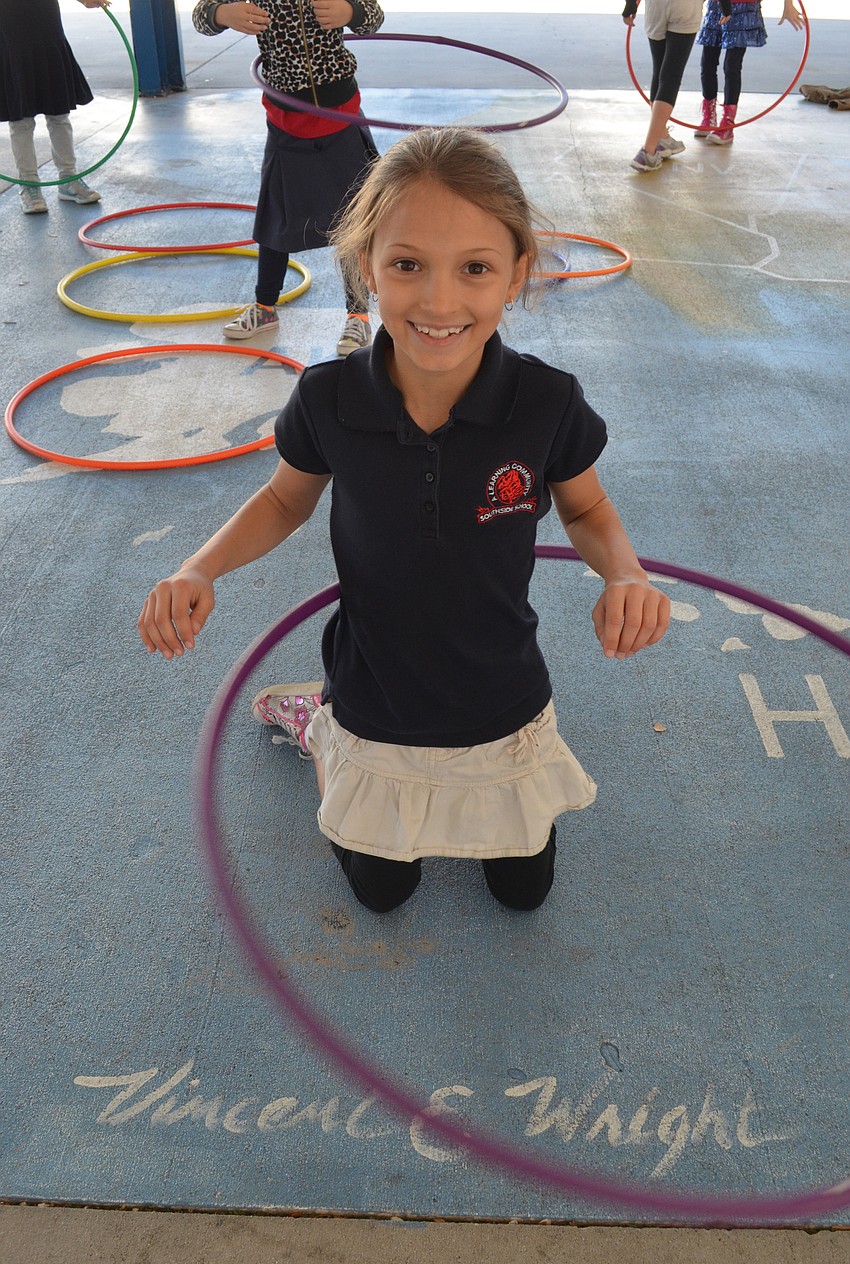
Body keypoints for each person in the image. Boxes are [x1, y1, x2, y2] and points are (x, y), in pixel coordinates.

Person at [138, 127, 671, 914]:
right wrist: (199, 567)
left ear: (519, 273)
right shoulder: (328, 398)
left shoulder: (547, 402)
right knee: (381, 892)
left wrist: (624, 570)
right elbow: (286, 496)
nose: (439, 301)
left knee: (527, 892)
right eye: (408, 264)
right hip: (374, 693)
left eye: (476, 269)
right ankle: (322, 725)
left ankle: (346, 736)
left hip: (501, 694)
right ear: (365, 267)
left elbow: (586, 505)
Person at [192, 0, 383, 358]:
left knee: (352, 218)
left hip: (339, 116)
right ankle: (265, 307)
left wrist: (351, 12)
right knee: (276, 215)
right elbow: (201, 16)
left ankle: (358, 314)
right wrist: (222, 14)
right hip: (285, 119)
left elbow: (373, 16)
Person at [1, 0, 107, 215]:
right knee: (21, 119)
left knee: (59, 113)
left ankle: (69, 179)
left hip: (48, 31)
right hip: (11, 36)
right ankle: (29, 185)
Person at [622, 0, 732, 172]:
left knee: (659, 73)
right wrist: (725, 8)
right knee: (670, 76)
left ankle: (663, 137)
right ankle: (648, 151)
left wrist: (630, 5)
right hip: (685, 7)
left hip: (655, 8)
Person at [695, 0, 805, 143]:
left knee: (731, 66)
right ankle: (709, 116)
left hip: (744, 8)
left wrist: (788, 5)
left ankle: (728, 123)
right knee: (707, 63)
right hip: (718, 5)